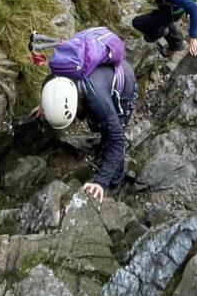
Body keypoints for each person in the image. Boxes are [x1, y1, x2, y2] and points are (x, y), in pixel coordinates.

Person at [33, 57, 138, 201]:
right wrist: (44, 106)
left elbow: (118, 140)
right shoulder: (53, 83)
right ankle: (103, 153)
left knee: (110, 134)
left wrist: (101, 182)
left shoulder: (99, 102)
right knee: (99, 124)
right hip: (101, 79)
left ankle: (116, 180)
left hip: (125, 82)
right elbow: (51, 94)